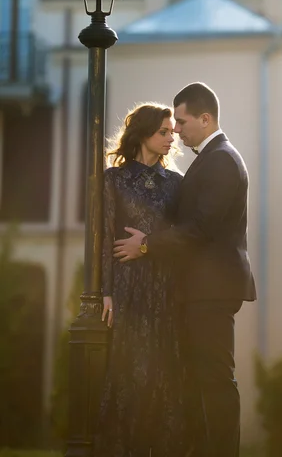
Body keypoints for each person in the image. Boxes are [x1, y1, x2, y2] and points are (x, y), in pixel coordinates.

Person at [114, 82, 257, 457]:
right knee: (201, 380)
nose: (176, 129)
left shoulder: (222, 160)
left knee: (215, 381)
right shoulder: (212, 158)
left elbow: (201, 228)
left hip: (211, 290)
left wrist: (146, 243)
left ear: (205, 118)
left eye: (181, 121)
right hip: (201, 289)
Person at [95, 103, 189, 457]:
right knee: (128, 372)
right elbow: (104, 237)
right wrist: (105, 293)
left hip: (165, 288)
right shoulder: (113, 180)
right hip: (126, 287)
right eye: (163, 131)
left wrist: (148, 248)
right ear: (144, 133)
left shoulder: (177, 184)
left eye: (171, 132)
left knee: (164, 373)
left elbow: (183, 239)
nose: (171, 137)